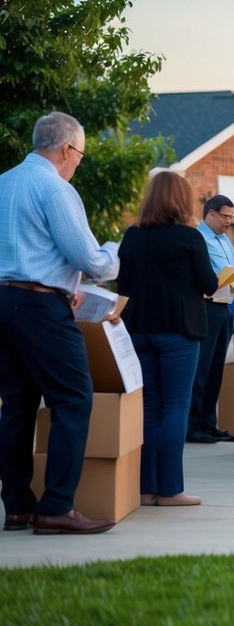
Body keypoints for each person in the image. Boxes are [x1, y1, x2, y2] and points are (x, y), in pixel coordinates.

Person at [0, 112, 120, 535]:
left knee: (16, 402)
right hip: (39, 306)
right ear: (68, 149)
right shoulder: (55, 188)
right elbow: (90, 260)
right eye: (80, 155)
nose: (78, 163)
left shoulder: (4, 182)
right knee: (73, 399)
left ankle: (17, 506)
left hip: (4, 301)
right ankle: (56, 507)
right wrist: (113, 251)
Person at [116, 172, 218, 507]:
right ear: (182, 200)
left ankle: (145, 490)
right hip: (179, 330)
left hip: (140, 330)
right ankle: (171, 489)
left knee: (150, 408)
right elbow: (208, 283)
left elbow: (123, 285)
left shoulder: (132, 236)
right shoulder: (189, 238)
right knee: (176, 407)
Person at [188, 194, 234, 443]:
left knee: (216, 368)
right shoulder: (197, 238)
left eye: (232, 216)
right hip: (206, 306)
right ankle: (193, 424)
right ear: (210, 214)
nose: (229, 221)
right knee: (201, 368)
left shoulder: (224, 240)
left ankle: (209, 422)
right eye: (225, 216)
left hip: (224, 306)